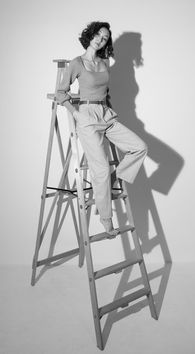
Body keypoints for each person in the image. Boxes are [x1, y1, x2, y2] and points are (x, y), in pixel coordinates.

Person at [56, 21, 147, 236]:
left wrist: (110, 113)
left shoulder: (105, 62)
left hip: (106, 114)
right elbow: (61, 92)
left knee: (139, 147)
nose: (100, 39)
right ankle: (106, 218)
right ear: (90, 35)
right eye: (98, 35)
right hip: (86, 116)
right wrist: (76, 113)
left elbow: (105, 92)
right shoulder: (76, 63)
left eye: (105, 38)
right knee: (101, 169)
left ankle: (114, 178)